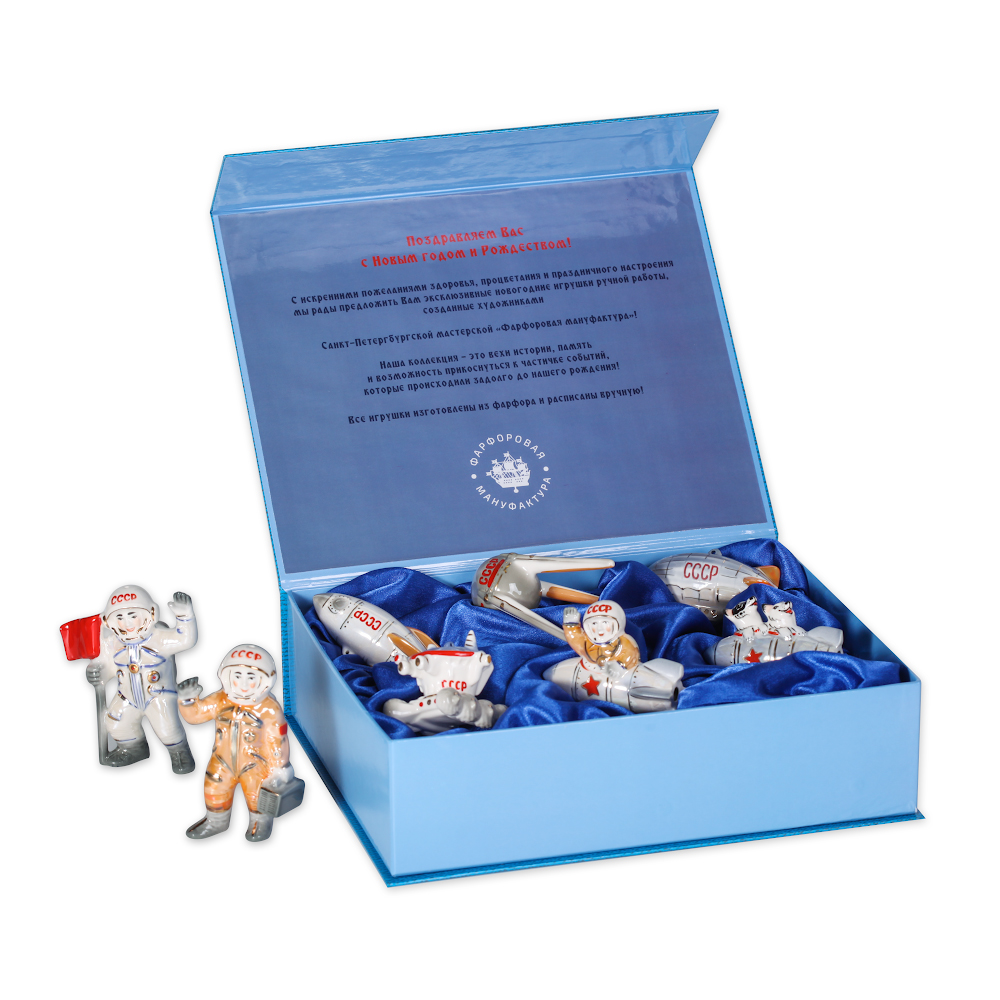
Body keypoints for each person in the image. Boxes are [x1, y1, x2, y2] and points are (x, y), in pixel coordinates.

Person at [179, 644, 299, 842]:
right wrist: (188, 700)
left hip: (255, 764)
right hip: (221, 760)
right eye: (237, 676)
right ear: (226, 676)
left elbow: (277, 739)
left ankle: (260, 822)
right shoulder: (220, 700)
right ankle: (216, 821)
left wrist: (280, 766)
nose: (243, 684)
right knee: (214, 788)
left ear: (264, 681)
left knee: (256, 795)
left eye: (251, 678)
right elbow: (196, 715)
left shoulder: (268, 708)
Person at [85, 585, 196, 772]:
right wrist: (96, 673)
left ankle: (179, 752)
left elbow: (185, 640)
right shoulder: (112, 643)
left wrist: (184, 617)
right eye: (119, 618)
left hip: (158, 695)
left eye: (132, 615)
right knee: (115, 722)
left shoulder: (159, 637)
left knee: (167, 728)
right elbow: (107, 667)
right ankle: (133, 748)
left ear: (150, 613)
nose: (127, 623)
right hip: (127, 696)